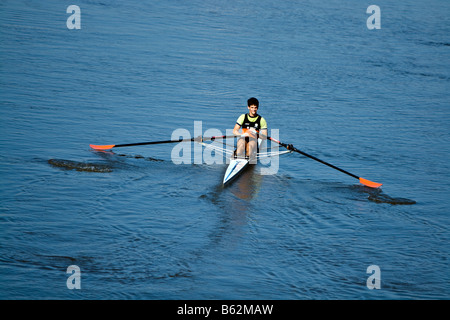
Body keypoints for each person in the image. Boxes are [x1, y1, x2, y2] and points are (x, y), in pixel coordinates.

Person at [232, 97, 268, 162]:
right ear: (248, 107)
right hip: (243, 138)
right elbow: (234, 131)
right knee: (241, 146)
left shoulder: (261, 120)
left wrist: (256, 134)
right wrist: (242, 135)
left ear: (257, 108)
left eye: (255, 107)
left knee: (249, 147)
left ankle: (247, 158)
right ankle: (236, 154)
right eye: (252, 107)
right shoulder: (243, 117)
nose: (254, 109)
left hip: (253, 139)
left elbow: (265, 136)